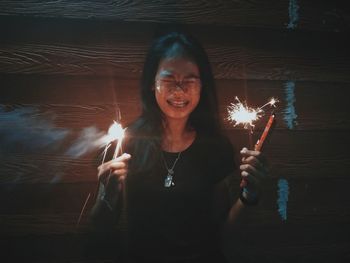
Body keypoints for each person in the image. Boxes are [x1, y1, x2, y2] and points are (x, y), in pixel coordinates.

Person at [89, 29, 269, 263]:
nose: (179, 89)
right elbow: (99, 228)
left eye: (190, 80)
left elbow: (225, 232)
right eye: (168, 78)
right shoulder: (124, 143)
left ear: (202, 86)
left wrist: (249, 195)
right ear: (151, 83)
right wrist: (107, 197)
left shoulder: (215, 147)